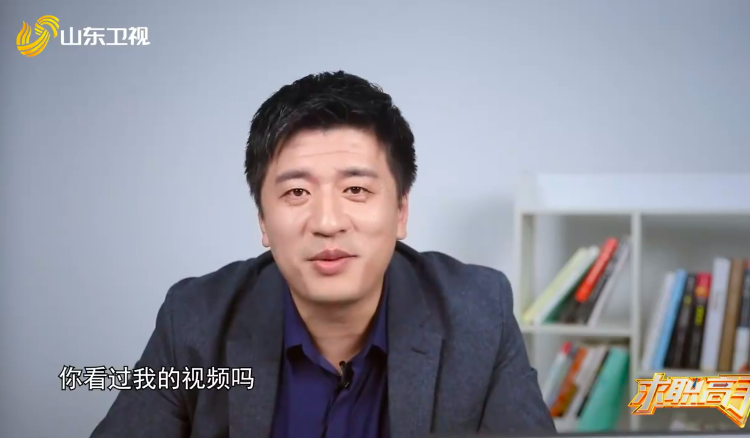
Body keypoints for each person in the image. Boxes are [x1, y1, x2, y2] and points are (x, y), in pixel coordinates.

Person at [89, 71, 555, 438]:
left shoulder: (477, 313)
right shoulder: (196, 321)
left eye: (356, 190)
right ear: (263, 221)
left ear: (400, 212)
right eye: (296, 192)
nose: (327, 222)